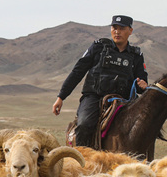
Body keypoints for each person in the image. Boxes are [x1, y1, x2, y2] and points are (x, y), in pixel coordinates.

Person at [52, 15, 148, 149]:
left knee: (141, 128)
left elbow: (141, 83)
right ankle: (83, 161)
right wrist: (61, 97)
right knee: (85, 124)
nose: (117, 32)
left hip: (124, 102)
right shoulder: (98, 47)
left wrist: (144, 86)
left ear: (130, 31)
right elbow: (77, 72)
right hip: (94, 98)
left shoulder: (136, 56)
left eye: (122, 28)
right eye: (114, 28)